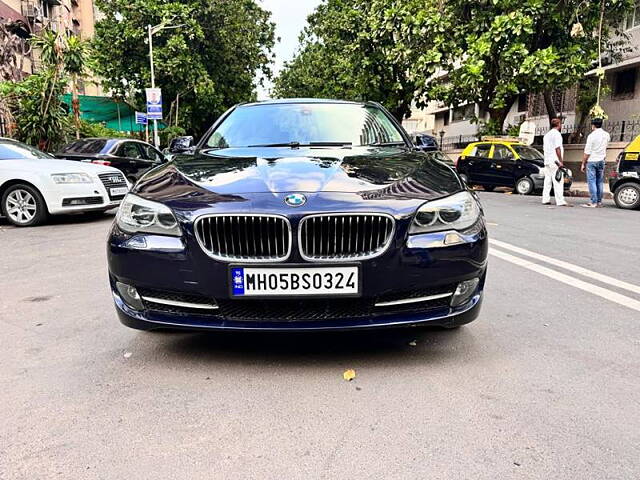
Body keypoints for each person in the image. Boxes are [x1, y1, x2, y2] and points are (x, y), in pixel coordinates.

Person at [542, 118, 572, 207]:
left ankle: (545, 199)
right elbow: (557, 148)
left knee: (547, 181)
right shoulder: (557, 135)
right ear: (558, 125)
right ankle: (560, 200)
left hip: (547, 160)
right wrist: (560, 161)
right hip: (555, 161)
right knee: (558, 181)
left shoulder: (546, 135)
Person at [581, 118, 610, 208]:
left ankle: (593, 202)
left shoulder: (591, 136)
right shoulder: (606, 135)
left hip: (592, 161)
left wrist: (583, 163)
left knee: (592, 181)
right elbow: (606, 147)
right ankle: (599, 201)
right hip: (601, 160)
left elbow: (587, 152)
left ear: (593, 125)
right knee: (599, 181)